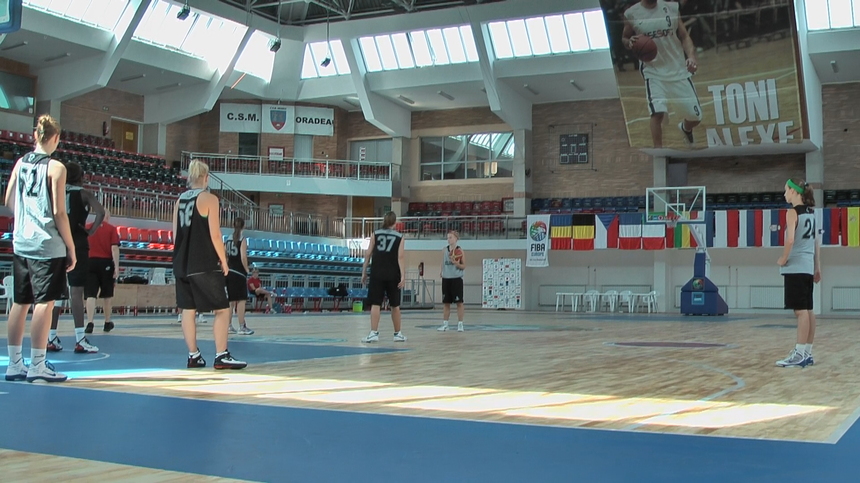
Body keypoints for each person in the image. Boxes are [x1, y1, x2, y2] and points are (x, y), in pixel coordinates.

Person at [4, 114, 75, 383]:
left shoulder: (20, 163)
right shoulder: (57, 167)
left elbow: (10, 199)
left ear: (36, 135)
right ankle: (37, 364)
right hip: (47, 243)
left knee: (20, 302)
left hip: (21, 241)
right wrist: (71, 246)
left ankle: (14, 363)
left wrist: (26, 217)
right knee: (45, 303)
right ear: (55, 138)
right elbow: (59, 211)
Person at [173, 160, 245, 369]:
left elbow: (175, 235)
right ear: (206, 178)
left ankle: (193, 355)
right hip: (203, 262)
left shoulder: (179, 201)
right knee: (222, 309)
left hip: (182, 263)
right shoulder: (209, 199)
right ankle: (221, 354)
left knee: (188, 309)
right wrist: (224, 260)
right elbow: (215, 234)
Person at [622, 0, 702, 147]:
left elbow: (684, 36)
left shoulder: (671, 7)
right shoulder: (631, 13)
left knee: (695, 117)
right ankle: (659, 153)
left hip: (677, 69)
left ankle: (685, 128)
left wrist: (691, 56)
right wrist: (629, 42)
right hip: (653, 71)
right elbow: (625, 37)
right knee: (657, 114)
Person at [47, 161, 104, 354]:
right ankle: (80, 338)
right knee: (77, 292)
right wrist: (91, 231)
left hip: (57, 241)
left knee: (56, 293)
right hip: (77, 243)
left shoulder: (56, 192)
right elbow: (101, 212)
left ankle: (51, 337)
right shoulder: (84, 194)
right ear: (81, 176)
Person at [776, 178, 820, 368]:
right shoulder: (811, 213)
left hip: (796, 268)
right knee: (808, 310)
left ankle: (799, 354)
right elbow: (816, 242)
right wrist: (817, 267)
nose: (784, 194)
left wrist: (783, 258)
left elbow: (790, 240)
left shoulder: (792, 212)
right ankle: (807, 352)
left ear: (794, 192)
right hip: (808, 267)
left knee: (800, 311)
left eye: (786, 190)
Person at [361, 212, 406, 343]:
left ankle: (373, 333)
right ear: (395, 222)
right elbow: (400, 257)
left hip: (377, 272)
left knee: (376, 304)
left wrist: (364, 270)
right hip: (393, 273)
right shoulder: (400, 237)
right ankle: (398, 334)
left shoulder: (375, 233)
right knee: (395, 305)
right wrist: (403, 275)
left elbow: (368, 253)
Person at [84, 209, 120, 334]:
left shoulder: (88, 227)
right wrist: (116, 267)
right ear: (107, 216)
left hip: (90, 262)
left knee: (90, 294)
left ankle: (90, 322)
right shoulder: (111, 229)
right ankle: (107, 322)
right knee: (107, 294)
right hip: (105, 263)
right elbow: (114, 248)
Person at [224, 217, 254, 335]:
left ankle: (229, 326)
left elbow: (225, 255)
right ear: (243, 226)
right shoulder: (242, 239)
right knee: (241, 300)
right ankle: (242, 326)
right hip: (239, 273)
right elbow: (243, 257)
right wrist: (246, 269)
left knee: (231, 301)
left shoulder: (228, 239)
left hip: (229, 272)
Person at [438, 230, 466, 332]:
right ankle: (445, 324)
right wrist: (441, 271)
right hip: (446, 279)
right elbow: (442, 262)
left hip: (456, 279)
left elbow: (464, 266)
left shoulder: (460, 251)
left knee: (459, 302)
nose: (449, 239)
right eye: (448, 237)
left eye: (450, 237)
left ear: (456, 239)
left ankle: (460, 324)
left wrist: (456, 264)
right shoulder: (444, 250)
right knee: (446, 303)